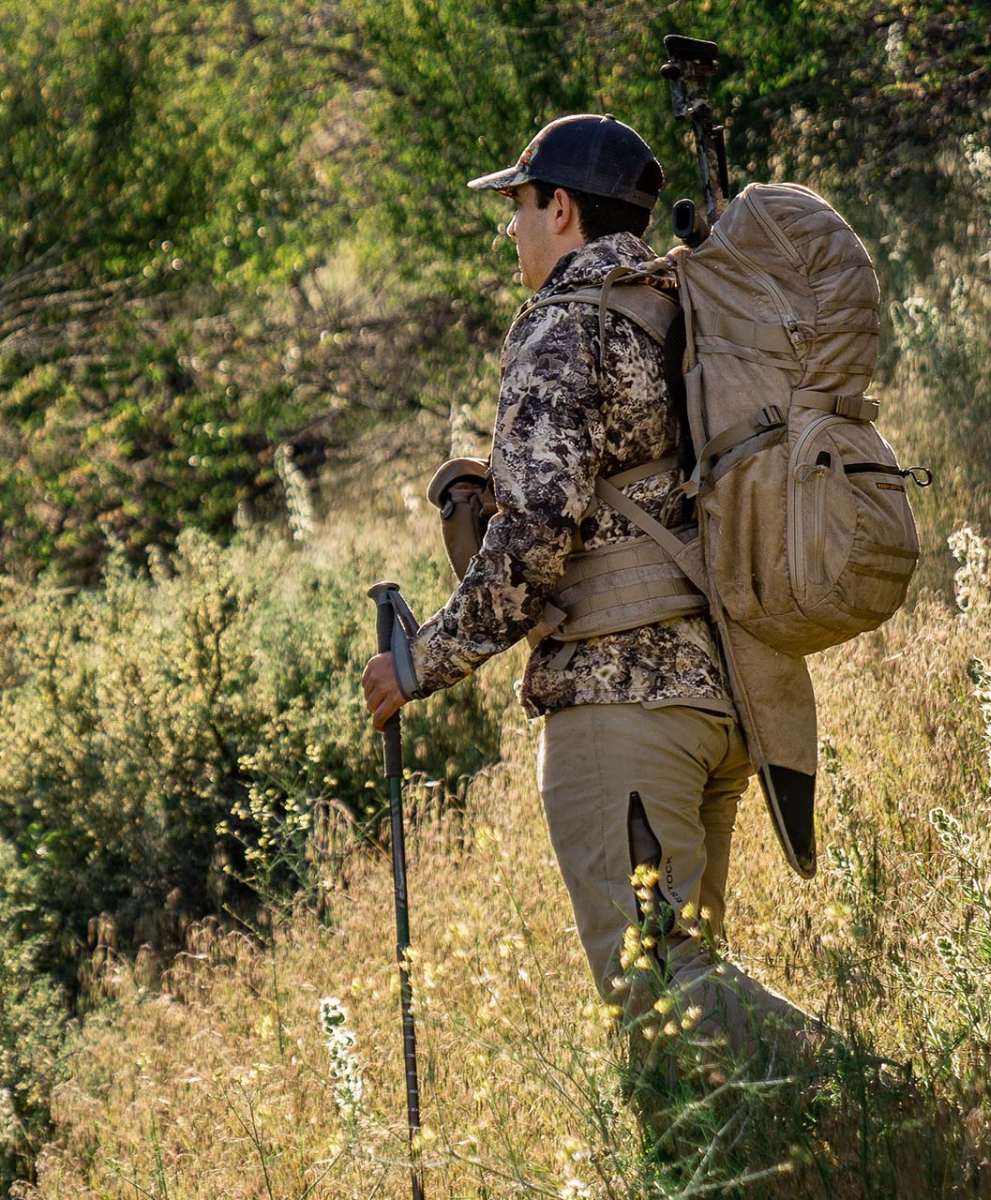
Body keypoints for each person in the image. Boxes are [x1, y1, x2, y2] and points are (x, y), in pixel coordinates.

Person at [361, 114, 826, 1087]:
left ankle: (888, 1105)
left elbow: (537, 533)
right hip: (725, 701)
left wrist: (419, 662)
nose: (513, 232)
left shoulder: (564, 325)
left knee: (665, 996)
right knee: (692, 1019)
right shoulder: (686, 313)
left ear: (561, 208)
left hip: (622, 712)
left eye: (519, 208)